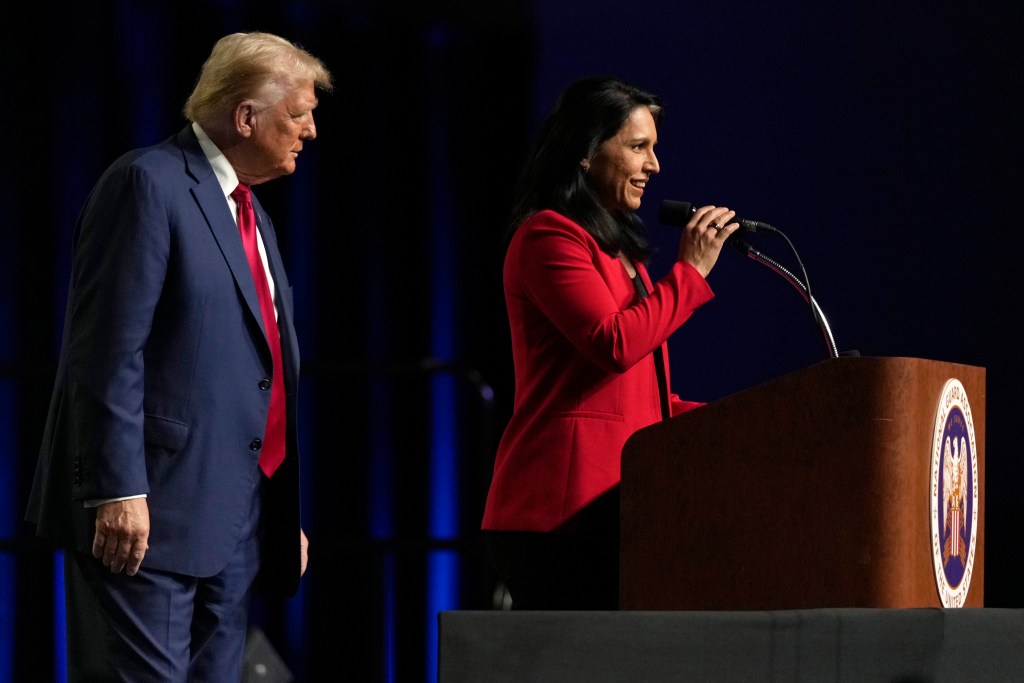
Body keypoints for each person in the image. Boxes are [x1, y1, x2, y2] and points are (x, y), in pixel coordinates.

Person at [25, 32, 333, 680]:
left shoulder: (254, 215)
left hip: (234, 525)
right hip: (148, 518)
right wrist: (118, 487)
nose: (310, 130)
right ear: (246, 116)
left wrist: (279, 517)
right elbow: (107, 347)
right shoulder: (149, 183)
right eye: (298, 113)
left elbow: (259, 373)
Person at [481, 76, 740, 610]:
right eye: (638, 147)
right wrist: (689, 274)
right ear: (586, 152)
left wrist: (741, 421)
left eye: (655, 149)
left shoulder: (623, 255)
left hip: (620, 506)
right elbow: (613, 343)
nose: (655, 166)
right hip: (559, 510)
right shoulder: (549, 238)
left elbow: (640, 396)